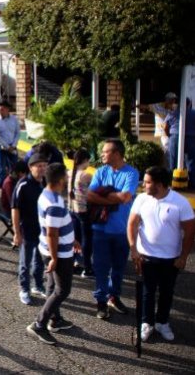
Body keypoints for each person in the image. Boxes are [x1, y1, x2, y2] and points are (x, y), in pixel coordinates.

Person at [128, 166, 195, 342]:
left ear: (159, 184)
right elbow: (132, 224)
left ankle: (162, 322)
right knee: (147, 292)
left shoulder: (180, 203)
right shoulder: (142, 199)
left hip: (170, 259)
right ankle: (146, 323)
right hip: (146, 256)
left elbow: (189, 233)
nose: (144, 185)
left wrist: (183, 257)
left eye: (148, 182)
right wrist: (134, 249)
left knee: (167, 292)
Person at [26, 162, 79, 345]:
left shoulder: (47, 194)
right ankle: (39, 324)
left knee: (52, 285)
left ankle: (55, 320)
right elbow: (52, 232)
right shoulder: (54, 202)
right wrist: (55, 258)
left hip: (50, 249)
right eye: (66, 175)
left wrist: (73, 239)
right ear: (61, 179)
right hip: (59, 253)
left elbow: (57, 226)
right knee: (62, 290)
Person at [87, 139, 139, 319]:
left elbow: (125, 197)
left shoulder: (131, 173)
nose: (101, 154)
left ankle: (113, 296)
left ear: (116, 153)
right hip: (100, 229)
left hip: (121, 230)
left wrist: (103, 196)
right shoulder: (100, 171)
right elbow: (90, 195)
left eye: (105, 151)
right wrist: (112, 199)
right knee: (101, 267)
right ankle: (101, 302)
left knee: (118, 267)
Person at [13, 153, 48, 305]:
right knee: (25, 262)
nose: (42, 169)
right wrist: (16, 232)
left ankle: (38, 285)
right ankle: (24, 289)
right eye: (38, 166)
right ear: (30, 167)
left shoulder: (45, 182)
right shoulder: (23, 184)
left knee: (40, 260)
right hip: (26, 230)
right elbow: (15, 209)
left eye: (44, 166)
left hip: (43, 230)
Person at [68, 149, 94, 278]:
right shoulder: (86, 175)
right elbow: (95, 191)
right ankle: (87, 267)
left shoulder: (69, 173)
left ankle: (73, 263)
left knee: (75, 239)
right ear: (85, 160)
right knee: (87, 240)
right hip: (84, 211)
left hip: (72, 210)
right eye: (88, 160)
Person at [0, 101, 21, 187]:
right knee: (1, 170)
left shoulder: (14, 119)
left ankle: (14, 186)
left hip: (12, 147)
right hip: (1, 147)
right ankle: (2, 187)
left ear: (7, 109)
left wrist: (13, 145)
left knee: (14, 168)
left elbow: (18, 133)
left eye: (1, 110)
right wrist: (7, 146)